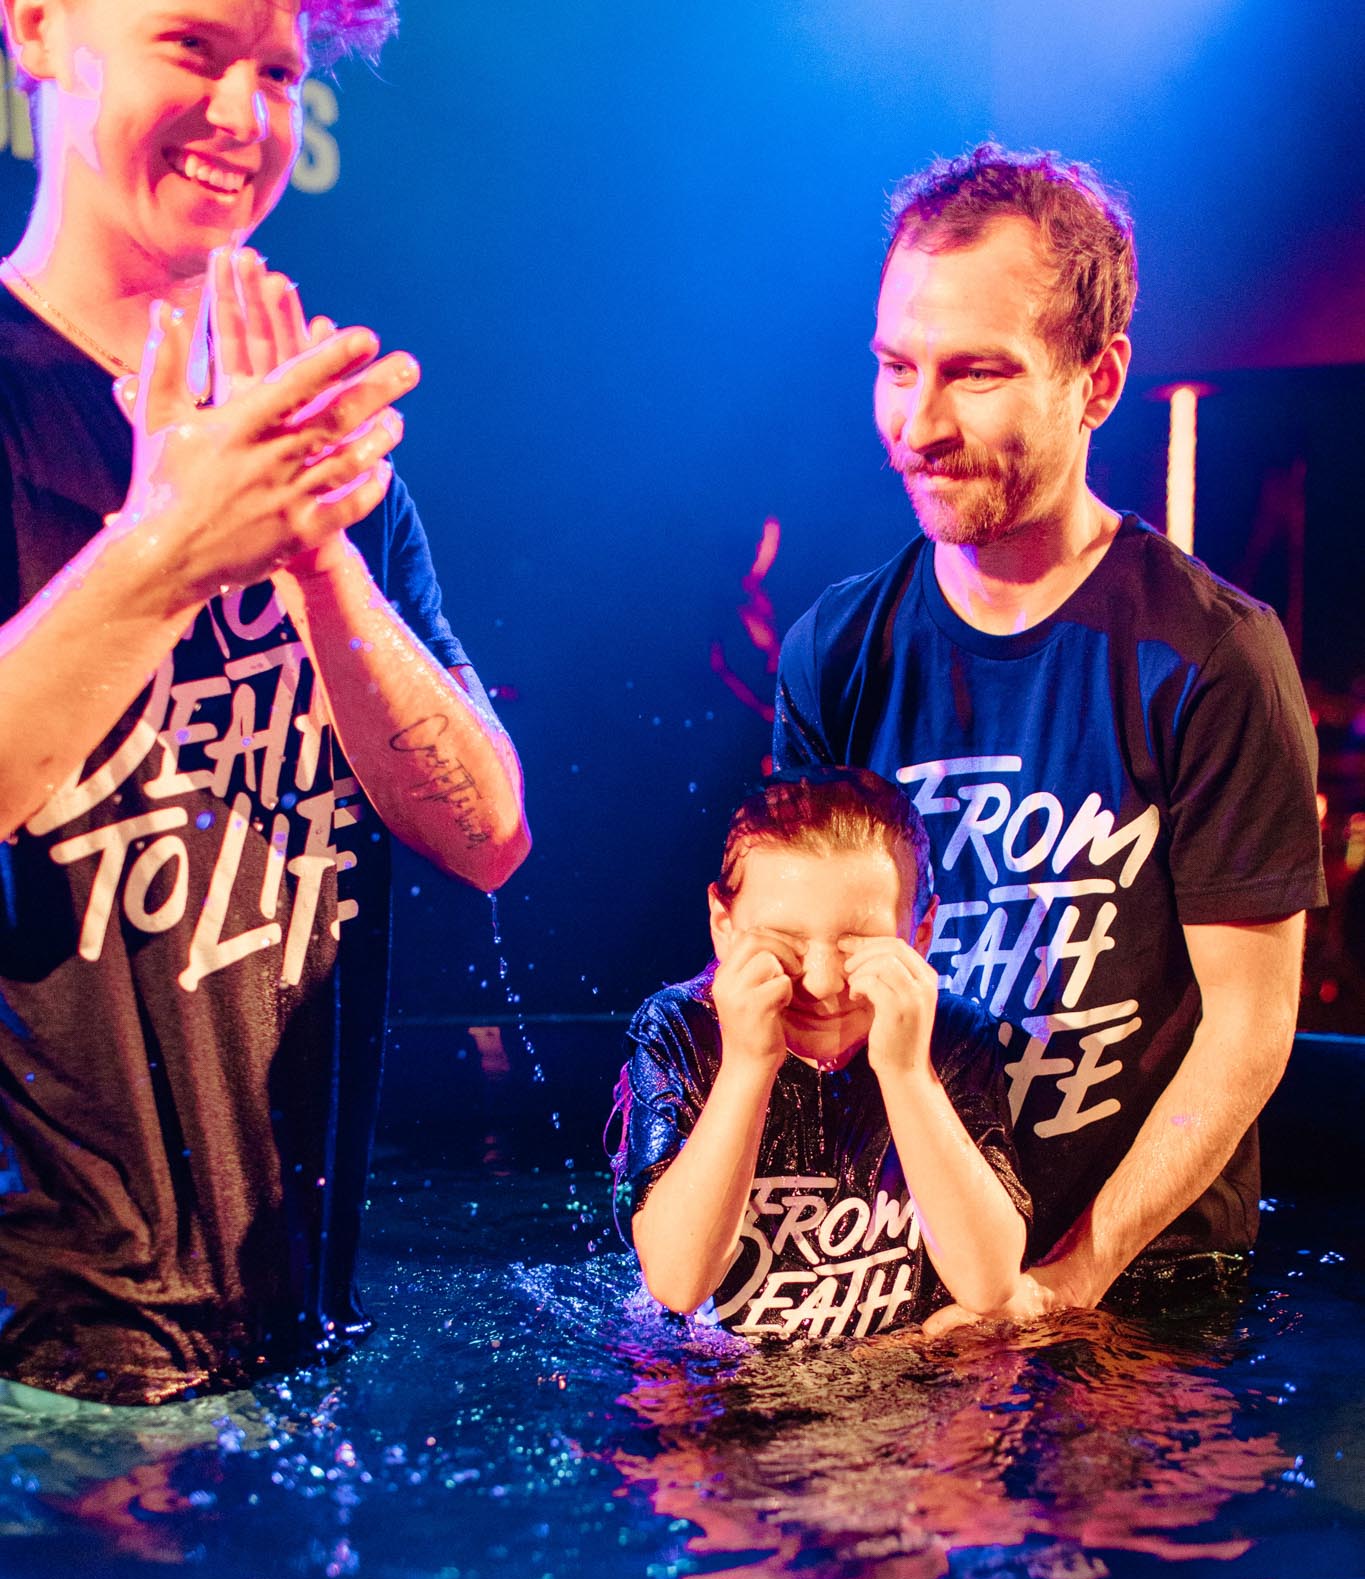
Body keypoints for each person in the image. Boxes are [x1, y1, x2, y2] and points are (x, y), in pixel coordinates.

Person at [0, 0, 530, 1403]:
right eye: (193, 46)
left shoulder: (319, 458)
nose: (243, 115)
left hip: (301, 1337)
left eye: (280, 71)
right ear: (38, 27)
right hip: (44, 1370)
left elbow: (486, 833)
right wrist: (169, 545)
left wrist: (318, 559)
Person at [772, 144, 1325, 1321]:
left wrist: (1073, 1278)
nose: (918, 424)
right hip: (905, 1268)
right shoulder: (837, 652)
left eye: (975, 373)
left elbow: (1250, 1028)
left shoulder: (1215, 656)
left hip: (1146, 1289)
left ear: (1097, 379)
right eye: (895, 367)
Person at [613, 768, 1030, 1340]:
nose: (823, 982)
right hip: (729, 1380)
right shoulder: (681, 1030)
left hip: (901, 1373)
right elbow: (677, 1283)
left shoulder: (952, 1035)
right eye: (784, 943)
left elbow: (988, 1284)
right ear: (724, 925)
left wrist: (908, 1073)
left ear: (921, 934)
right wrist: (747, 1065)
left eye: (860, 945)